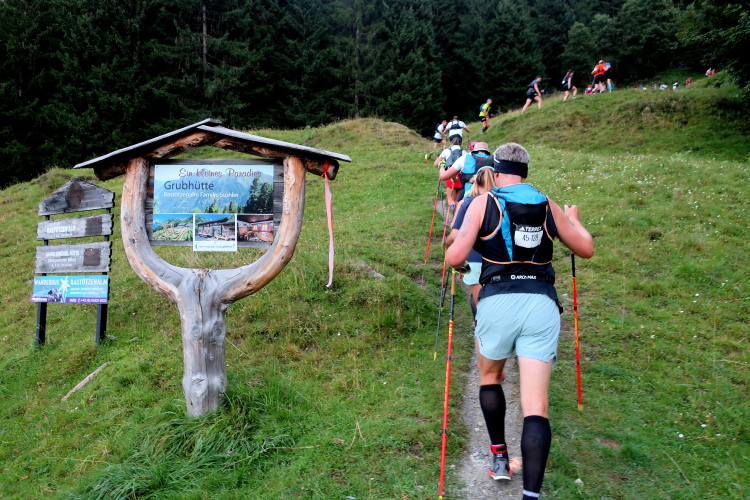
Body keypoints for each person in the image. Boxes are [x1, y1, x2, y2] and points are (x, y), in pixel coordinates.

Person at [445, 142, 594, 499]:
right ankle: (530, 496)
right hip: (541, 304)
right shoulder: (547, 205)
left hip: (497, 300)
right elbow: (585, 248)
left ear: (496, 173)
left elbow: (454, 257)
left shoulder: (484, 202)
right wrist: (573, 220)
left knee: (491, 376)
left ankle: (499, 457)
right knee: (536, 407)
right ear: (526, 172)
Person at [444, 166, 496, 321]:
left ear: (476, 183)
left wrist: (447, 246)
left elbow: (454, 236)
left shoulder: (467, 203)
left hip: (474, 259)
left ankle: (480, 329)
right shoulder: (504, 203)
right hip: (500, 260)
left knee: (481, 303)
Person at [434, 136, 467, 207]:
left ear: (451, 143)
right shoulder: (464, 152)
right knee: (458, 201)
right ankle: (456, 211)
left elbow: (436, 164)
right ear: (461, 144)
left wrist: (443, 164)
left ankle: (451, 210)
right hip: (461, 175)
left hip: (450, 173)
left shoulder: (447, 151)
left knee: (450, 199)